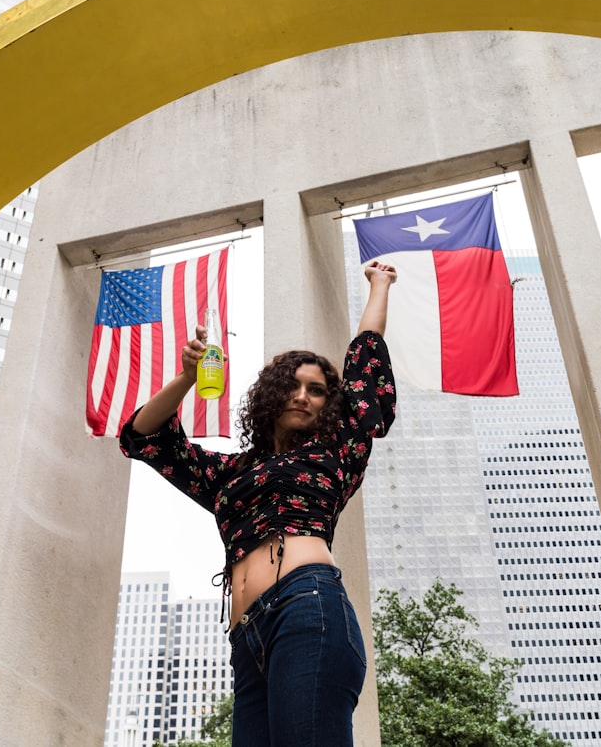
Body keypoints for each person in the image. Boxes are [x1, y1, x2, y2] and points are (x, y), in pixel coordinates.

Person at [119, 261, 397, 747]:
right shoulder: (231, 473)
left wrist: (380, 283)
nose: (304, 396)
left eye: (317, 390)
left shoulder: (336, 451)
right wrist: (187, 377)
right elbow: (143, 439)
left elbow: (366, 362)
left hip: (307, 609)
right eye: (292, 386)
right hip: (246, 642)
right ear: (270, 396)